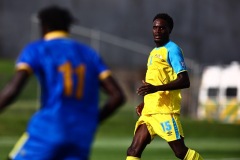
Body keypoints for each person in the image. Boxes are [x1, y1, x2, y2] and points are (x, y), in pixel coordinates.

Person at [0, 5, 125, 160]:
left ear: (44, 26)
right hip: (82, 134)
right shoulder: (88, 53)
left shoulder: (38, 48)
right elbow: (118, 95)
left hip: (49, 128)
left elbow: (13, 88)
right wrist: (92, 120)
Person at [126, 13, 203, 160]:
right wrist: (146, 102)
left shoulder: (172, 50)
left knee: (181, 153)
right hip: (149, 112)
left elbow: (185, 81)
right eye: (155, 27)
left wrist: (155, 89)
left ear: (169, 30)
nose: (157, 31)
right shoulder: (153, 53)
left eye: (162, 28)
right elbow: (156, 81)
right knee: (133, 151)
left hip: (165, 111)